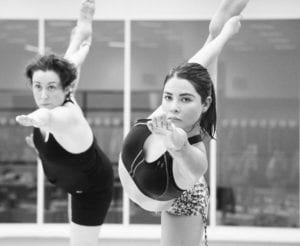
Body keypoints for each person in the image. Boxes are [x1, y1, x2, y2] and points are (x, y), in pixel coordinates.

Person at [119, 0, 250, 246]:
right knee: (188, 75)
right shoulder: (166, 114)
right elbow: (194, 68)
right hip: (156, 177)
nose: (174, 105)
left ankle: (218, 33)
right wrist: (221, 36)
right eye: (168, 96)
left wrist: (177, 144)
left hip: (186, 199)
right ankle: (216, 32)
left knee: (190, 82)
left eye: (185, 99)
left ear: (205, 104)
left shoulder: (193, 153)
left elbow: (193, 161)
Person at [15, 1, 114, 246]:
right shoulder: (60, 91)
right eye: (37, 87)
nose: (43, 95)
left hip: (92, 189)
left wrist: (36, 118)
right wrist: (40, 148)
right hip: (74, 176)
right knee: (71, 61)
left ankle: (82, 32)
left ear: (65, 89)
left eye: (51, 88)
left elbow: (49, 117)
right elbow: (71, 64)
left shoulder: (67, 114)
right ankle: (81, 30)